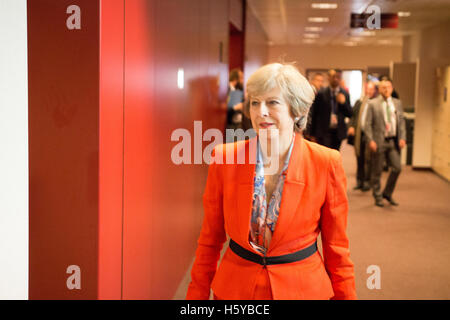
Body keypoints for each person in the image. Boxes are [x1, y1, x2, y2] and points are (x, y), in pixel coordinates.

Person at [186, 63, 356, 300]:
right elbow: (209, 240)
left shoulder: (326, 162)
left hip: (301, 290)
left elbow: (337, 249)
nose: (260, 112)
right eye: (255, 102)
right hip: (236, 291)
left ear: (296, 109)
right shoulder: (225, 158)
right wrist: (196, 299)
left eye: (272, 102)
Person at [364, 79, 406, 207]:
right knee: (377, 171)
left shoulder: (397, 103)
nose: (386, 89)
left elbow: (401, 122)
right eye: (383, 87)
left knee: (397, 167)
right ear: (379, 89)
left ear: (392, 88)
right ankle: (377, 196)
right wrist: (370, 140)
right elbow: (367, 124)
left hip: (392, 140)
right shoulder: (372, 104)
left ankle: (387, 193)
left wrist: (402, 137)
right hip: (378, 141)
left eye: (388, 87)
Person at [308, 69, 353, 150]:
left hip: (338, 132)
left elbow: (350, 114)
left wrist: (343, 103)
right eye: (333, 77)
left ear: (340, 78)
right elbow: (315, 113)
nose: (335, 79)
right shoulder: (321, 93)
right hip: (324, 131)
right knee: (325, 155)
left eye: (338, 77)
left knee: (335, 155)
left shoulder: (345, 94)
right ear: (329, 78)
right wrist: (312, 133)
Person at [348, 81, 377, 191]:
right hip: (359, 134)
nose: (369, 91)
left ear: (374, 91)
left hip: (370, 134)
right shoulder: (359, 102)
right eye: (367, 89)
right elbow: (353, 116)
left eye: (371, 89)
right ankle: (359, 181)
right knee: (359, 157)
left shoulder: (375, 103)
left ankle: (367, 181)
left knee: (368, 159)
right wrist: (351, 126)